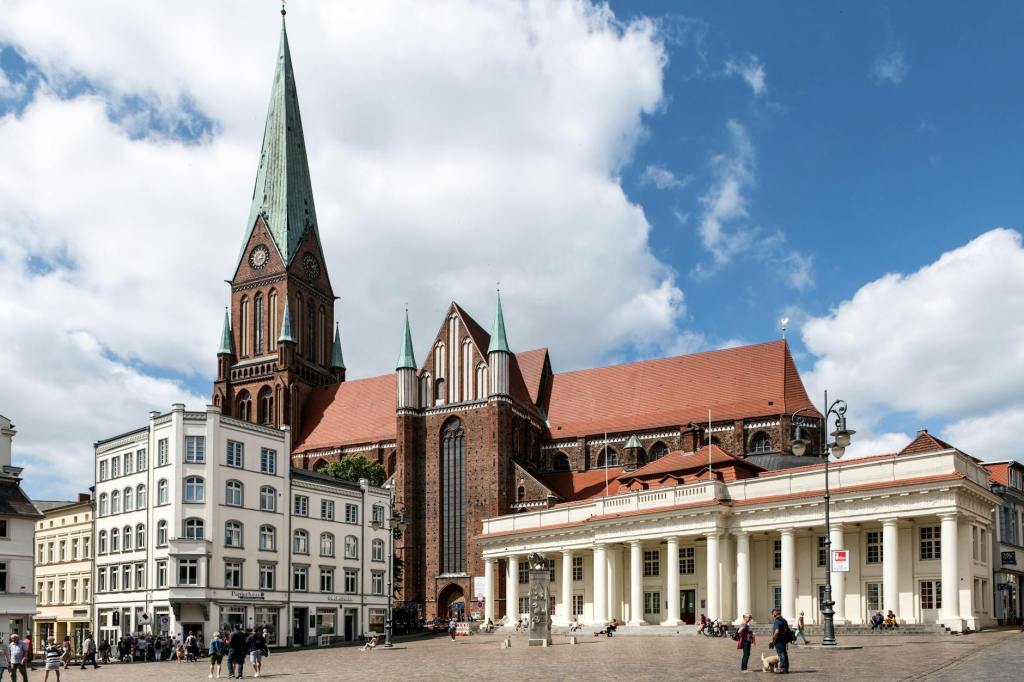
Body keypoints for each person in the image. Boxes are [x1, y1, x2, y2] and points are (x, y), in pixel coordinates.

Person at [770, 608, 791, 674]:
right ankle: (786, 668)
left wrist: (772, 640)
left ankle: (783, 668)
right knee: (784, 653)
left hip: (778, 640)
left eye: (772, 614)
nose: (772, 615)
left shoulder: (777, 621)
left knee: (781, 654)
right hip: (784, 639)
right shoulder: (784, 620)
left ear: (775, 613)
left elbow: (777, 631)